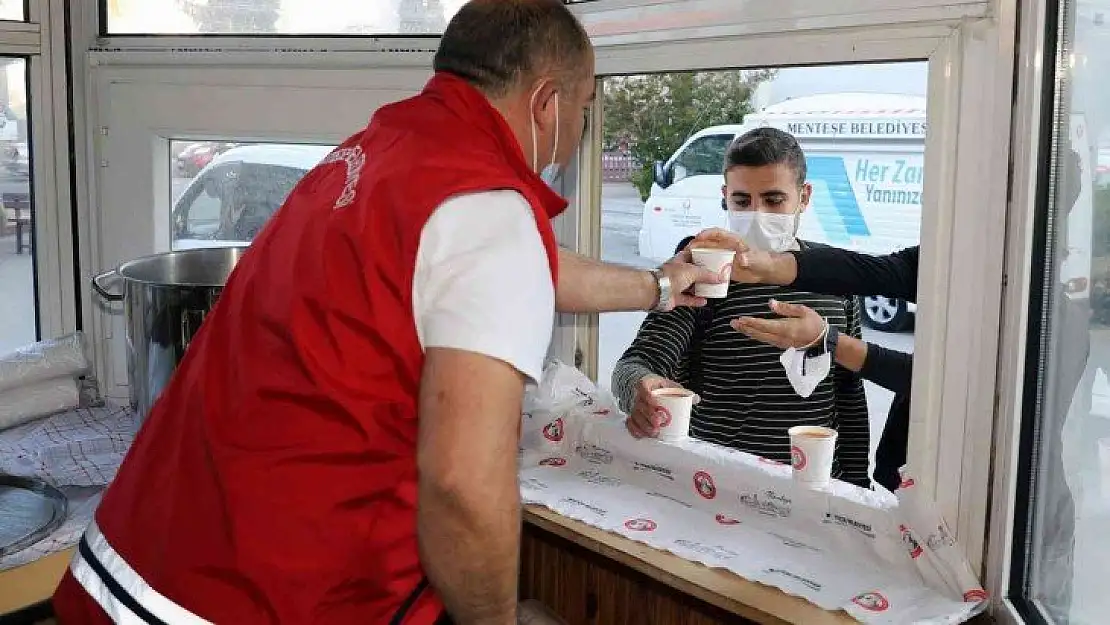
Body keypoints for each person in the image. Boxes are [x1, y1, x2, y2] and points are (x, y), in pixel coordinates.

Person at [52, 2, 717, 624]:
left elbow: (515, 263)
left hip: (131, 563)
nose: (579, 130)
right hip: (246, 598)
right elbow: (461, 484)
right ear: (547, 102)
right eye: (584, 106)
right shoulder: (487, 211)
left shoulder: (380, 154)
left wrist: (659, 285)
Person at [613, 129, 871, 487]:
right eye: (742, 201)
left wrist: (859, 487)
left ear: (804, 196)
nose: (757, 215)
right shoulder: (703, 272)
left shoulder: (834, 276)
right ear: (725, 198)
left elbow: (849, 393)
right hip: (719, 486)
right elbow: (636, 362)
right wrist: (638, 389)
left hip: (813, 488)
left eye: (773, 200)